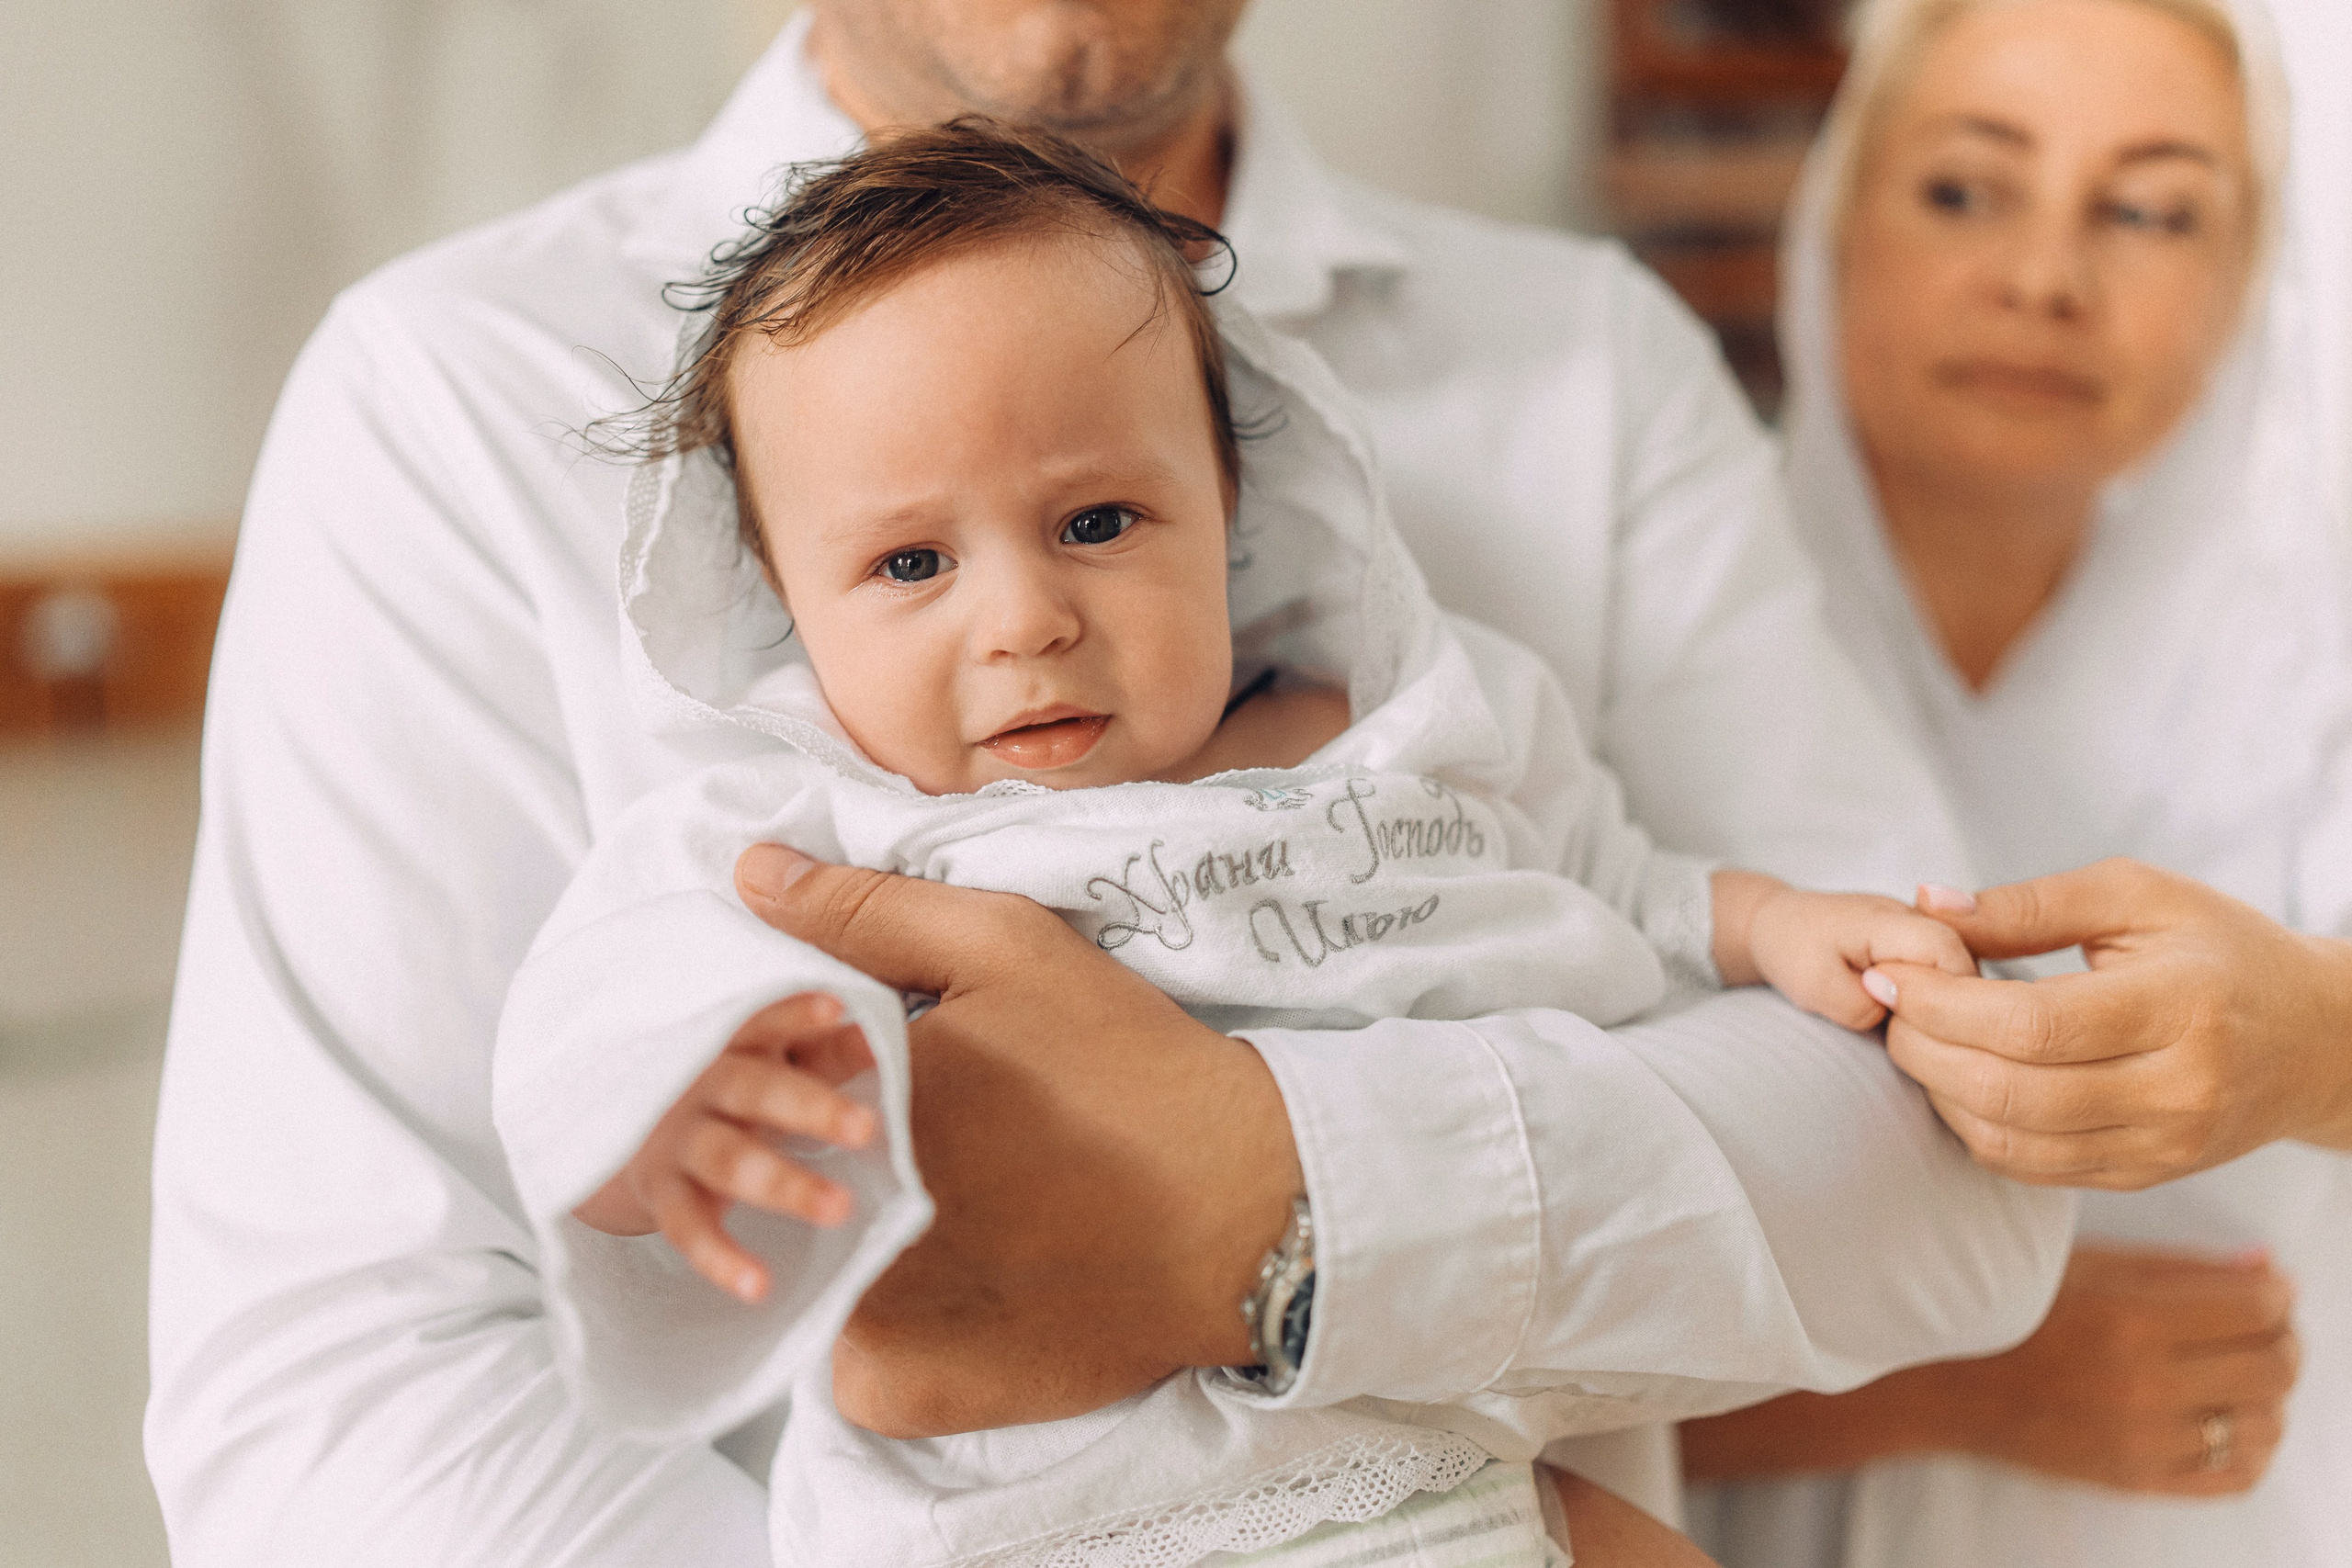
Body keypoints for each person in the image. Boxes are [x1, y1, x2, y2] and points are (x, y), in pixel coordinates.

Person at [143, 4, 2070, 1562]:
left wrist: (1260, 1195)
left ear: (1242, 511)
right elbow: (336, 1402)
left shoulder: (1557, 429)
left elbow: (1965, 1158)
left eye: (1097, 519)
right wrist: (681, 1087)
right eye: (903, 563)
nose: (1021, 626)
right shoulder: (454, 399)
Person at [1681, 0, 2352, 1563]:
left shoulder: (2317, 660)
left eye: (2148, 211)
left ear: (2251, 275)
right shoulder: (1643, 631)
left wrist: (2314, 1049)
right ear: (1835, 217)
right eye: (1967, 190)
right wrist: (1956, 1387)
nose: (2045, 280)